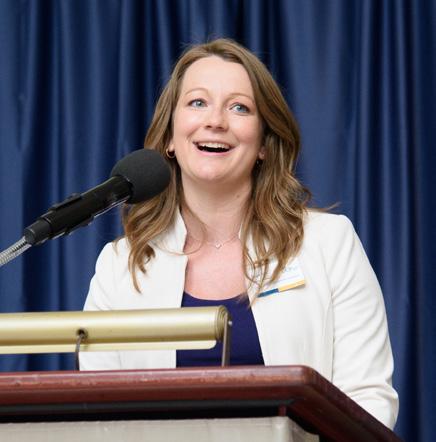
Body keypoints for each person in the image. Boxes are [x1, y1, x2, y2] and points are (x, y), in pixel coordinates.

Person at [80, 38, 398, 429]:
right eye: (198, 102)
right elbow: (100, 418)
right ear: (169, 137)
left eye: (239, 107)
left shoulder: (330, 243)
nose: (215, 120)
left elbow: (367, 400)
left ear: (263, 142)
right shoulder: (120, 265)